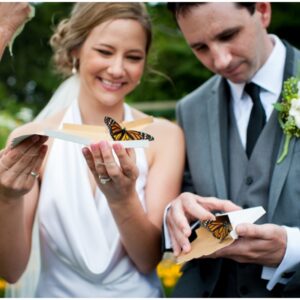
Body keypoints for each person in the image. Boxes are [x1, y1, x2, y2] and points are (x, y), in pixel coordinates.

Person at [0, 3, 185, 297]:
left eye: (133, 57)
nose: (117, 68)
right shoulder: (33, 137)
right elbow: (11, 270)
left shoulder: (164, 137)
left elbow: (148, 259)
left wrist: (123, 199)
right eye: (105, 51)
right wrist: (8, 198)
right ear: (75, 50)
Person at [164, 2, 300, 297]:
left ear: (263, 11)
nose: (220, 60)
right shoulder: (191, 109)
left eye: (228, 35)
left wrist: (292, 247)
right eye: (200, 47)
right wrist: (177, 210)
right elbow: (186, 199)